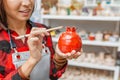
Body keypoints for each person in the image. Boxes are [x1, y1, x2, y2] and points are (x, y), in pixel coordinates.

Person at [0, 0, 82, 80]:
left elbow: (52, 75)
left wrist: (59, 58)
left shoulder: (42, 30)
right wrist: (32, 61)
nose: (27, 3)